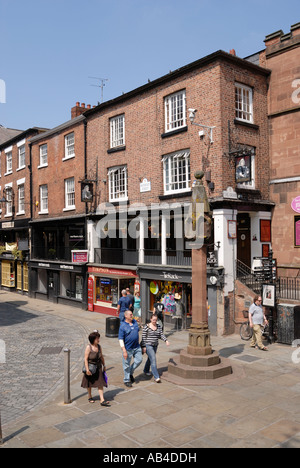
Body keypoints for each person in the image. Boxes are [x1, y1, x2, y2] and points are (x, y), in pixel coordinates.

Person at [81, 331, 110, 406]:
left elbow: (102, 357)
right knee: (89, 383)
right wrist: (87, 369)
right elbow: (86, 359)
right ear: (93, 339)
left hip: (98, 367)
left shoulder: (99, 347)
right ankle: (90, 396)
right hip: (90, 367)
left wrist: (104, 365)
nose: (98, 340)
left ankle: (102, 399)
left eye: (98, 338)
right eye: (97, 338)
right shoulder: (88, 347)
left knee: (100, 383)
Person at [141, 314, 170, 383]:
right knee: (153, 359)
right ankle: (156, 377)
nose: (154, 321)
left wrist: (166, 340)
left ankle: (146, 370)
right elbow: (143, 337)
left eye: (156, 320)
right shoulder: (147, 327)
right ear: (151, 319)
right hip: (148, 345)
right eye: (153, 320)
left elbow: (161, 334)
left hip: (155, 345)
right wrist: (144, 346)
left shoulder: (158, 326)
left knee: (150, 358)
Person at [118, 310, 143, 388]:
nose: (132, 315)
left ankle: (130, 372)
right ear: (126, 316)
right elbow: (120, 339)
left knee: (139, 360)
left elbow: (137, 331)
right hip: (128, 349)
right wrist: (124, 350)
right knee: (126, 365)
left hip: (137, 347)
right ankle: (126, 379)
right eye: (130, 314)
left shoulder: (135, 322)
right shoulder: (122, 326)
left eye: (132, 314)